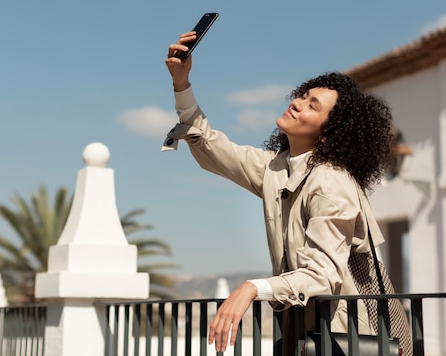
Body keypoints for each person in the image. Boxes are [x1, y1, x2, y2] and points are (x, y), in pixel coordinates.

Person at [164, 31, 404, 355]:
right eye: (302, 96)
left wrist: (252, 288)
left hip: (346, 339)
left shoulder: (331, 182)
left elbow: (322, 274)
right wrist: (182, 83)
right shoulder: (277, 169)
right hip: (308, 339)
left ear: (328, 134)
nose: (297, 102)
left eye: (311, 105)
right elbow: (212, 148)